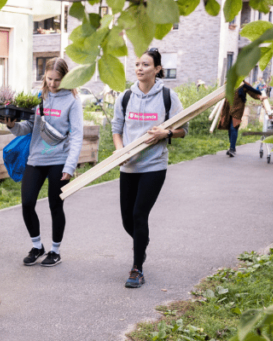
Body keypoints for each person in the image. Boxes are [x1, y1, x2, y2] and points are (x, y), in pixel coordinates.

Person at [111, 48, 186, 289]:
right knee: (126, 220)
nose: (140, 68)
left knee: (138, 214)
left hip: (154, 165)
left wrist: (167, 133)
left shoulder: (168, 96)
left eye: (145, 64)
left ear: (157, 69)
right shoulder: (125, 97)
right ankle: (141, 244)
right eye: (137, 64)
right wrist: (120, 150)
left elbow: (183, 130)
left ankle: (137, 269)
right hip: (129, 166)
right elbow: (117, 128)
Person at [0, 57, 84, 267]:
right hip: (36, 158)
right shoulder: (39, 97)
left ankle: (55, 251)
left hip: (59, 160)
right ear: (44, 77)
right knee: (27, 203)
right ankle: (37, 246)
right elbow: (28, 128)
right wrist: (12, 126)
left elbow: (77, 135)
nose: (53, 84)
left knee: (56, 205)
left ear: (66, 79)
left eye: (57, 80)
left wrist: (70, 166)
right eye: (50, 79)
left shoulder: (72, 101)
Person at [220, 80, 267, 157]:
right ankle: (232, 147)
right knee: (229, 128)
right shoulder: (229, 82)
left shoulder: (244, 85)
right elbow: (221, 92)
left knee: (233, 127)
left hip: (238, 109)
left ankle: (232, 149)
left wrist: (260, 97)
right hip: (228, 108)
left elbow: (252, 92)